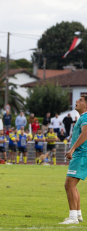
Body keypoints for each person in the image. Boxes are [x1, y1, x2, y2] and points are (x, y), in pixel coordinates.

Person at [60, 95, 87, 224]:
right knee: (72, 186)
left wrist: (72, 149)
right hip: (80, 155)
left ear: (86, 105)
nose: (77, 101)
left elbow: (85, 134)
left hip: (81, 155)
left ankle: (72, 218)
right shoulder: (82, 117)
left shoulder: (86, 117)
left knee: (69, 185)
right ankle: (78, 214)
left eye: (80, 100)